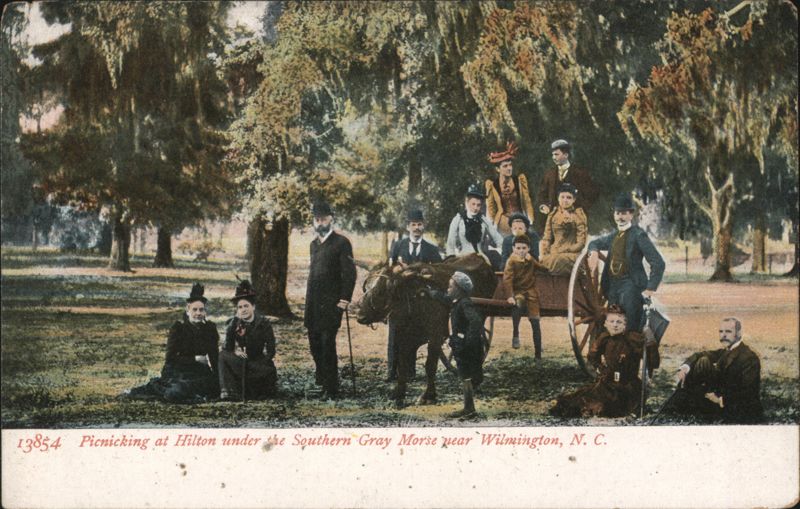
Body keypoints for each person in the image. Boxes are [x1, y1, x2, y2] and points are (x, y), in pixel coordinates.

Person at [550, 305, 660, 418]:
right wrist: (601, 369)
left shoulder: (632, 339)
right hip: (608, 384)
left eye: (619, 322)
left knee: (604, 408)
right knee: (578, 402)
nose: (615, 325)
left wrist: (651, 343)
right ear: (605, 324)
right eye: (611, 321)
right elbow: (592, 357)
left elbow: (654, 363)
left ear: (625, 325)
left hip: (627, 387)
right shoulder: (604, 339)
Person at [126, 283, 220, 403]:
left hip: (199, 371)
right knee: (178, 390)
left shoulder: (209, 329)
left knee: (213, 387)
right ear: (188, 310)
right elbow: (170, 358)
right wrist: (195, 359)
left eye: (201, 310)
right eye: (194, 310)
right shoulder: (178, 329)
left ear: (205, 311)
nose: (198, 313)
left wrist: (217, 377)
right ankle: (158, 386)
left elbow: (214, 355)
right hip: (178, 370)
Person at [587, 193, 665, 332]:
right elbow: (594, 242)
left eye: (624, 213)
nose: (620, 217)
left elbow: (658, 262)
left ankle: (631, 352)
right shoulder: (614, 236)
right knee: (613, 324)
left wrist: (650, 289)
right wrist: (593, 251)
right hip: (612, 286)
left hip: (631, 286)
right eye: (617, 213)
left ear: (631, 215)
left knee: (630, 326)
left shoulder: (638, 235)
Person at [304, 201, 357, 399]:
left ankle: (331, 387)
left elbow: (349, 274)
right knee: (314, 344)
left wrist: (344, 300)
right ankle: (322, 379)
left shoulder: (341, 243)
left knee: (327, 344)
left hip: (332, 304)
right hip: (313, 304)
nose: (320, 222)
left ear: (331, 219)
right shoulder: (313, 244)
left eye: (323, 218)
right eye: (317, 219)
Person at [670, 317, 763, 423]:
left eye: (728, 331)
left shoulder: (749, 357)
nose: (723, 335)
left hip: (737, 408)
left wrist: (719, 400)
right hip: (720, 400)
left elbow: (748, 392)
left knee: (703, 362)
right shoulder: (725, 351)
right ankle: (683, 403)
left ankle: (685, 405)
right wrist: (684, 369)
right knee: (703, 360)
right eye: (721, 331)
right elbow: (700, 355)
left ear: (738, 333)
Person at [386, 209, 442, 381]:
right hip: (401, 297)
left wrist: (428, 275)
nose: (417, 228)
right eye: (413, 225)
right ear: (408, 226)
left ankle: (408, 372)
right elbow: (390, 269)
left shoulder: (431, 249)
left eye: (419, 224)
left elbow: (439, 273)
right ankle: (392, 371)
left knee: (412, 334)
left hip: (421, 299)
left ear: (423, 225)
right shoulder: (398, 246)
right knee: (395, 333)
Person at [430, 271, 485, 418]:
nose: (447, 290)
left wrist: (465, 340)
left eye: (450, 287)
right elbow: (444, 298)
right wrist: (431, 293)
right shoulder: (457, 301)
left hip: (467, 347)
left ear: (459, 289)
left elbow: (475, 322)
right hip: (461, 345)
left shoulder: (465, 303)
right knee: (464, 375)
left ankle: (469, 408)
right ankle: (469, 407)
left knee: (467, 375)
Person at [219, 280, 278, 400]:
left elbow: (271, 351)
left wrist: (260, 363)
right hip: (242, 362)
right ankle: (229, 392)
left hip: (258, 364)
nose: (243, 310)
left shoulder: (263, 324)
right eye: (240, 307)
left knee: (264, 379)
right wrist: (236, 351)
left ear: (253, 307)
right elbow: (227, 347)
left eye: (246, 306)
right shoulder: (235, 323)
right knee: (222, 355)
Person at [535, 139, 597, 234]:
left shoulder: (580, 174)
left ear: (566, 155)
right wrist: (543, 206)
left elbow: (591, 194)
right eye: (553, 155)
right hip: (554, 222)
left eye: (556, 154)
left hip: (575, 222)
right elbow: (541, 194)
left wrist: (580, 210)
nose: (553, 157)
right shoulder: (549, 175)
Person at [502, 234, 545, 356]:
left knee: (535, 320)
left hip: (531, 293)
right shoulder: (511, 261)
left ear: (529, 249)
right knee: (518, 304)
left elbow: (541, 268)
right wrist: (510, 296)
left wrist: (545, 265)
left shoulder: (530, 260)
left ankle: (538, 354)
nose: (521, 251)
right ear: (513, 248)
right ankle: (515, 333)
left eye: (524, 248)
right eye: (518, 248)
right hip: (518, 291)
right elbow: (507, 279)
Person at [484, 142, 535, 236]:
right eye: (505, 166)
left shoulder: (519, 180)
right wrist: (491, 226)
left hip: (520, 219)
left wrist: (530, 219)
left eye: (510, 165)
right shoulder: (492, 184)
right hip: (503, 222)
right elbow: (491, 207)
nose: (509, 168)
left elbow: (527, 200)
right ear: (498, 169)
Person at [540, 183, 587, 275]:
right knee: (543, 261)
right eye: (562, 197)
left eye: (569, 198)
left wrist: (566, 249)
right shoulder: (553, 214)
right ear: (558, 198)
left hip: (572, 255)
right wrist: (544, 253)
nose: (565, 200)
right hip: (554, 252)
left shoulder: (578, 215)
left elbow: (581, 243)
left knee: (558, 260)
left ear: (574, 200)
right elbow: (547, 237)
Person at [446, 184, 504, 258]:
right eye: (473, 204)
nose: (475, 208)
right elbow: (450, 242)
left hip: (480, 257)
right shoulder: (458, 218)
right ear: (467, 203)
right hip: (464, 257)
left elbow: (499, 239)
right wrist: (451, 257)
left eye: (478, 205)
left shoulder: (483, 220)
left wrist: (501, 251)